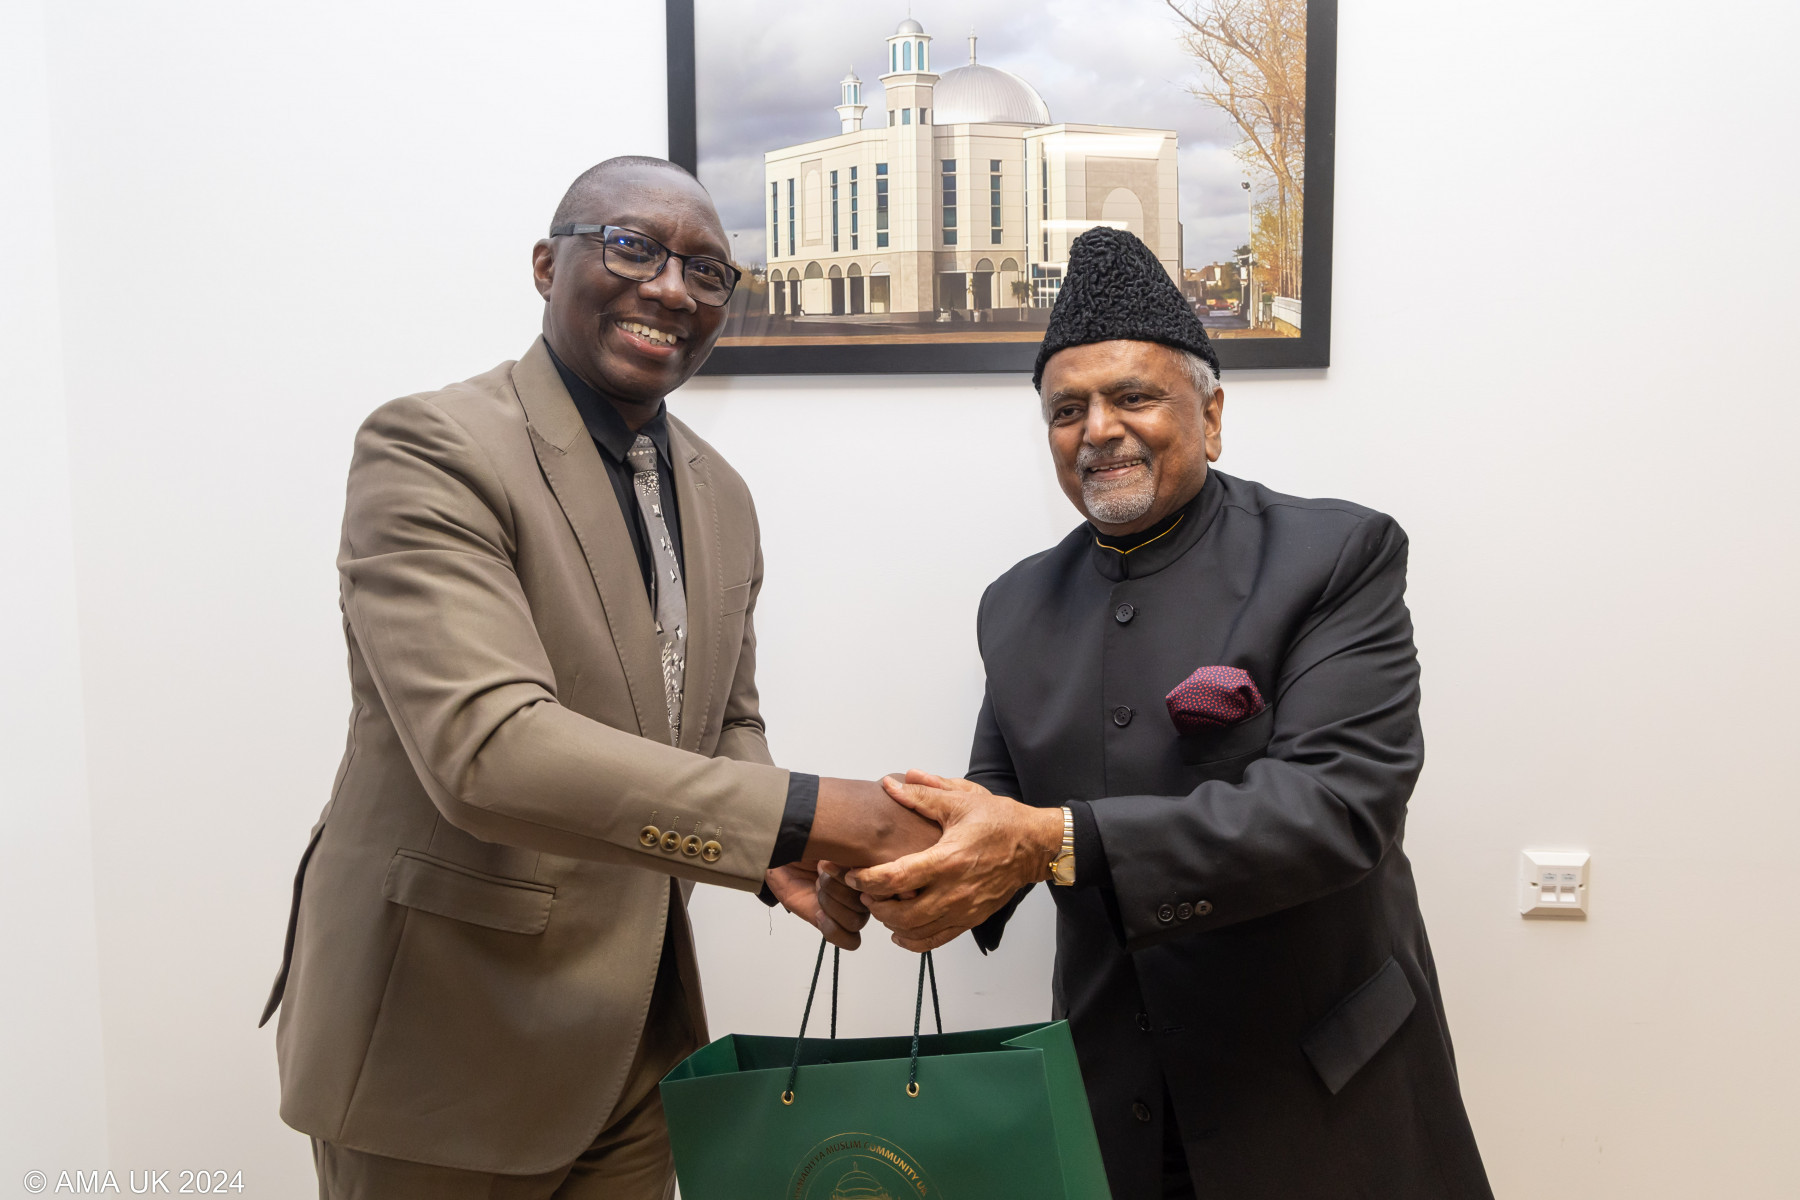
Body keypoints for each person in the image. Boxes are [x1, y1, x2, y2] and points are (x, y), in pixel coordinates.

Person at [260, 156, 912, 1200]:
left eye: (707, 271)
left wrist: (776, 857)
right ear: (544, 265)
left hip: (638, 1046)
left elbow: (723, 721)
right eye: (633, 247)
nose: (672, 289)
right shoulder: (432, 446)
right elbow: (490, 751)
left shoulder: (723, 494)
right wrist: (815, 815)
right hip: (441, 1039)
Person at [846, 227, 1493, 1199]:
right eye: (1067, 410)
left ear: (1212, 414)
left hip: (1319, 1088)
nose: (1097, 429)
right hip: (1115, 1097)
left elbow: (1337, 809)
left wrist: (1056, 840)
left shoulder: (1334, 557)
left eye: (1132, 397)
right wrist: (870, 858)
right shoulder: (1013, 605)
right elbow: (992, 807)